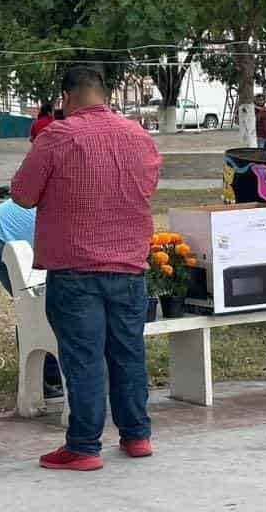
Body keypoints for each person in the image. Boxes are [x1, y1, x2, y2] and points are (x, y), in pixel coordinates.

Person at [11, 64, 162, 471]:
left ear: (66, 98)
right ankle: (137, 436)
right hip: (129, 264)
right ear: (105, 93)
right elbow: (148, 186)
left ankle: (83, 446)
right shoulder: (138, 135)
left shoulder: (57, 136)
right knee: (129, 353)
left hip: (75, 266)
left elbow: (23, 195)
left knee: (83, 358)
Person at [0, 198, 63, 399]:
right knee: (34, 306)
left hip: (12, 231)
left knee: (43, 304)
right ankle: (44, 378)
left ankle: (52, 374)